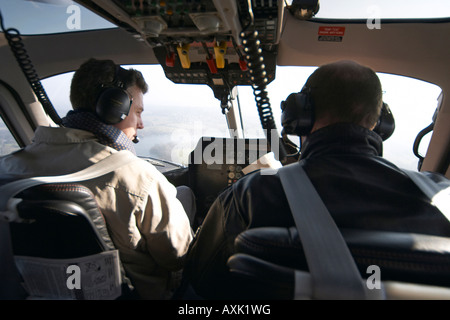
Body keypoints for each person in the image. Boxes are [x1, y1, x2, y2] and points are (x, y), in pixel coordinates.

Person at [181, 60, 450, 299]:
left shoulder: (249, 194)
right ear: (381, 123)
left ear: (299, 116)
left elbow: (200, 279)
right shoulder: (442, 196)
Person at [0, 58, 194, 299]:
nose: (141, 124)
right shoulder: (137, 178)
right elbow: (178, 257)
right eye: (138, 112)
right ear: (114, 107)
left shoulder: (6, 168)